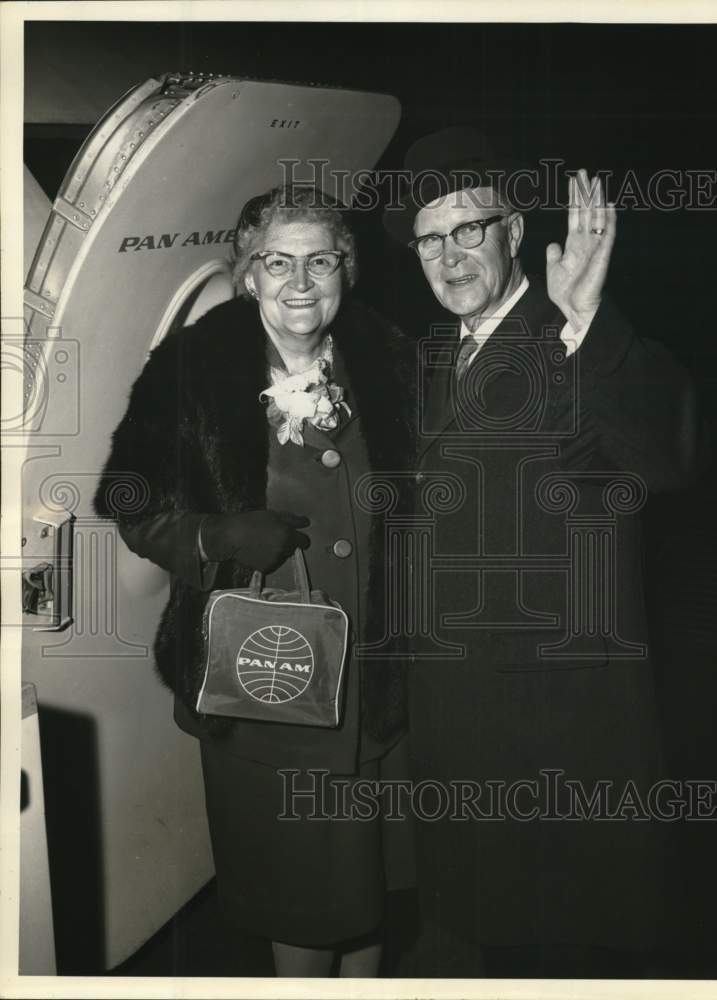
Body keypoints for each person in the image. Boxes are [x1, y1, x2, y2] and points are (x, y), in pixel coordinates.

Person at [383, 127, 699, 978]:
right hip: (455, 711)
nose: (449, 257)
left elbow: (660, 454)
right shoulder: (427, 359)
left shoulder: (576, 336)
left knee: (555, 945)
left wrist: (587, 318)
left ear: (515, 232)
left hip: (557, 722)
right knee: (479, 930)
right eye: (429, 238)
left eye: (469, 230)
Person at [94, 185, 414, 976]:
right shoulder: (194, 365)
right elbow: (128, 501)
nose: (300, 282)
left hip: (384, 682)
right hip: (263, 690)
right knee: (300, 906)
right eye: (278, 261)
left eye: (320, 260)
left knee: (372, 894)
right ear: (245, 272)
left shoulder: (389, 357)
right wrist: (212, 535)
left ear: (348, 269)